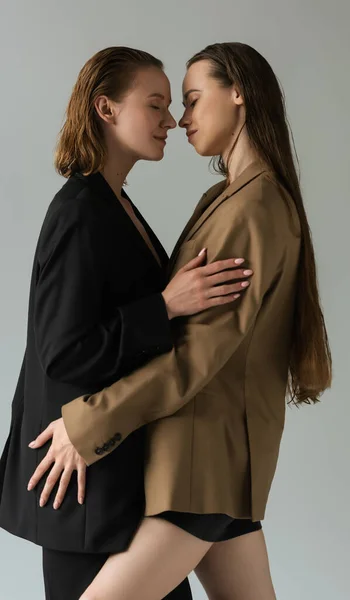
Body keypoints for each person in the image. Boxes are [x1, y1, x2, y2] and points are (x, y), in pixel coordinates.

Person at [28, 42, 332, 600]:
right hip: (212, 464)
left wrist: (87, 424)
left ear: (238, 93)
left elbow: (194, 355)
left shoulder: (253, 206)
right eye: (171, 105)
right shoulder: (229, 197)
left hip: (199, 466)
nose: (181, 119)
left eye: (192, 101)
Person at [0, 46, 254, 600]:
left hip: (111, 478)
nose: (171, 120)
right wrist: (164, 306)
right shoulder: (80, 211)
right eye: (157, 104)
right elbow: (62, 352)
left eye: (173, 106)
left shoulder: (115, 204)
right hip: (79, 489)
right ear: (106, 109)